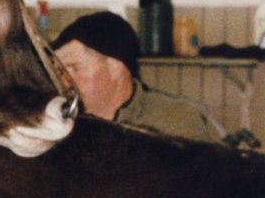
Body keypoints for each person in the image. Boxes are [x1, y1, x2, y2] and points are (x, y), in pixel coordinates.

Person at [52, 11, 217, 142]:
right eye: (60, 72)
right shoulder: (59, 125)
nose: (64, 82)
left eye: (76, 68)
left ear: (116, 68)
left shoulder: (173, 122)